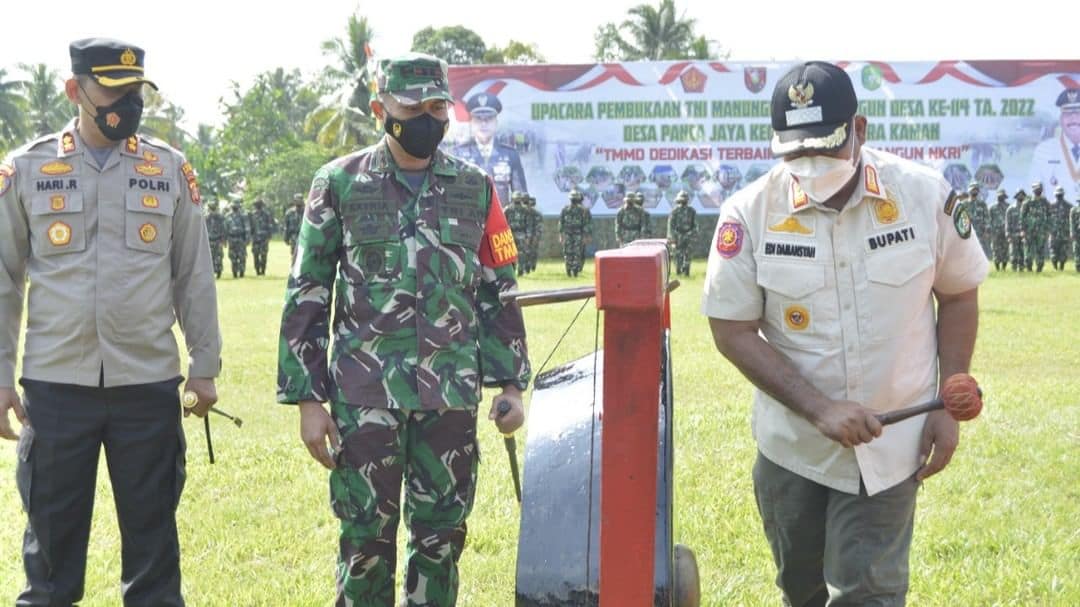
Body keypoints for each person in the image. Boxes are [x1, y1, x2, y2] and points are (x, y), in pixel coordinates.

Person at [702, 61, 988, 607]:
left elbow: (958, 294)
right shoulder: (749, 213)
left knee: (866, 594)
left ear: (859, 130)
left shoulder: (923, 197)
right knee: (800, 592)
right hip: (793, 451)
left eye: (824, 147)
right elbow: (731, 328)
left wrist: (944, 401)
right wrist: (818, 408)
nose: (810, 165)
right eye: (795, 150)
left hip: (889, 446)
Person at [276, 52, 531, 607]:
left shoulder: (475, 188)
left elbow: (497, 289)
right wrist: (307, 400)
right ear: (380, 108)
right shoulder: (339, 183)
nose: (426, 116)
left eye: (437, 105)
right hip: (365, 399)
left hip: (449, 397)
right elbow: (308, 292)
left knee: (441, 540)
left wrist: (511, 385)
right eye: (411, 105)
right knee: (365, 540)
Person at [0, 38, 221, 606]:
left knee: (153, 560)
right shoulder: (27, 169)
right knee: (48, 563)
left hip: (146, 386)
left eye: (135, 92)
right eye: (113, 90)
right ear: (76, 91)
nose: (128, 102)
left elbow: (193, 274)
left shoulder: (169, 168)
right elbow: (3, 280)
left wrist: (204, 366)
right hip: (56, 389)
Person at [452, 92, 527, 208]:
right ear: (471, 122)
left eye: (489, 118)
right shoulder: (458, 154)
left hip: (501, 221)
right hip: (469, 221)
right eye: (478, 119)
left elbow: (522, 196)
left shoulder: (510, 155)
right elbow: (451, 193)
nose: (483, 124)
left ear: (496, 122)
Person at [1028, 88, 1080, 197]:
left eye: (1078, 112)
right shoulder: (1043, 150)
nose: (1073, 118)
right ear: (1061, 119)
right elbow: (1033, 195)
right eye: (1067, 113)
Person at [558, 189, 592, 277]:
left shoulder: (582, 210)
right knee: (569, 252)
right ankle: (570, 269)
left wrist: (586, 236)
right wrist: (561, 235)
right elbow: (561, 222)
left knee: (575, 252)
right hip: (570, 233)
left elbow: (585, 224)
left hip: (577, 233)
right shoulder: (565, 209)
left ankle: (574, 269)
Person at [1020, 182, 1051, 272]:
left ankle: (1039, 268)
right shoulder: (1027, 202)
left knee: (1040, 249)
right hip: (1029, 231)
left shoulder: (1045, 202)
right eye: (1036, 189)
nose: (1038, 190)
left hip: (1041, 231)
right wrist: (1022, 230)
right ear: (1033, 190)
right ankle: (1029, 267)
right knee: (1028, 249)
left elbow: (1050, 216)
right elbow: (1022, 217)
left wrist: (1048, 229)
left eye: (1040, 189)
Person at [667, 190, 698, 276]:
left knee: (688, 254)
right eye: (681, 200)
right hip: (678, 235)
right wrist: (672, 239)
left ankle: (686, 270)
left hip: (689, 235)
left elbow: (695, 225)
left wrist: (692, 234)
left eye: (684, 200)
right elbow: (671, 226)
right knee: (677, 254)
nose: (683, 202)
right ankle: (679, 269)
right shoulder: (674, 211)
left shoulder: (692, 211)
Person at [504, 190, 530, 276]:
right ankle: (519, 269)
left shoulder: (508, 209)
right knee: (519, 253)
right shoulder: (509, 209)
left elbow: (527, 223)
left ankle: (515, 269)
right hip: (516, 234)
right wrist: (527, 236)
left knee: (512, 253)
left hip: (513, 234)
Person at [1048, 186, 1073, 271]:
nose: (1059, 196)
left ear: (1063, 194)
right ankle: (1055, 268)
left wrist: (1070, 232)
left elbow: (1071, 220)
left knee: (1063, 253)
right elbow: (1046, 219)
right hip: (1053, 233)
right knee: (1053, 252)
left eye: (1060, 194)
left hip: (1064, 233)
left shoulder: (1069, 206)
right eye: (1058, 194)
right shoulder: (1050, 206)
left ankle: (1061, 267)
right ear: (1055, 195)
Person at [249, 198, 274, 275]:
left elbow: (270, 226)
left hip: (264, 238)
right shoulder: (252, 215)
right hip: (255, 239)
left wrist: (269, 236)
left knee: (263, 255)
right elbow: (250, 227)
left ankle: (262, 270)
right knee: (256, 255)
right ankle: (257, 271)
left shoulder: (266, 215)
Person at [966, 182, 991, 260]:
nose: (974, 192)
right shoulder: (964, 204)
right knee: (967, 249)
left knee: (980, 250)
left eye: (976, 190)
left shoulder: (982, 204)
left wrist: (987, 230)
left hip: (980, 232)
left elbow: (987, 218)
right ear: (969, 191)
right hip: (968, 232)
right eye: (973, 190)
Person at [225, 199, 249, 278]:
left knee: (242, 256)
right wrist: (225, 239)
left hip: (240, 238)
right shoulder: (228, 216)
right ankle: (234, 272)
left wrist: (247, 238)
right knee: (233, 257)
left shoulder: (243, 216)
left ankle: (242, 272)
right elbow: (225, 229)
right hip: (232, 239)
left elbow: (247, 228)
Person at [989, 188, 1010, 271]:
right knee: (996, 250)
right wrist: (990, 232)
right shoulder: (992, 207)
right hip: (995, 233)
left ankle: (1004, 268)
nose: (1001, 197)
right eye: (999, 196)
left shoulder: (1008, 207)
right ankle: (997, 268)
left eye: (1002, 196)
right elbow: (989, 220)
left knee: (1005, 250)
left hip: (1005, 232)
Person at [206, 200, 226, 279]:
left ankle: (217, 272)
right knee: (216, 256)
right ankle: (216, 272)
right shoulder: (207, 217)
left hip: (215, 240)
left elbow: (223, 229)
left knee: (217, 256)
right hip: (212, 240)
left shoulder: (219, 217)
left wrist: (223, 240)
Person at [1007, 190, 1026, 271]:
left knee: (1023, 253)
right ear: (1016, 197)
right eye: (1019, 195)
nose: (1020, 197)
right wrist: (1008, 235)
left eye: (1022, 195)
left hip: (1024, 235)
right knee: (1013, 253)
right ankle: (1014, 269)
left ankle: (1021, 269)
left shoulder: (1026, 207)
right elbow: (1007, 223)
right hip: (1013, 235)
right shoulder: (1011, 209)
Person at [525, 195, 544, 274]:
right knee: (526, 251)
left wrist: (537, 236)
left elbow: (539, 226)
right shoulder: (524, 212)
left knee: (533, 251)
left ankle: (532, 265)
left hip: (534, 235)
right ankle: (527, 266)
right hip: (526, 235)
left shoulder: (537, 214)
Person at [283, 193, 303, 259]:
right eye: (297, 200)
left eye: (300, 200)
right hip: (293, 237)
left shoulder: (307, 212)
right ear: (294, 201)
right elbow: (286, 226)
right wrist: (286, 238)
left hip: (304, 237)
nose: (298, 201)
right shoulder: (289, 213)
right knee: (294, 256)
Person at [1071, 193, 1080, 272]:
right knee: (1077, 250)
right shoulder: (1074, 210)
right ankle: (1078, 266)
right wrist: (1072, 233)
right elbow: (1072, 222)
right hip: (1077, 233)